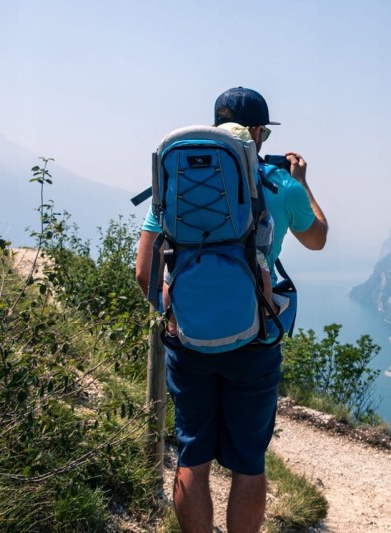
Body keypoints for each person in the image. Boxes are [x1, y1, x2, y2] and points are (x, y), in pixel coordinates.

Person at [135, 86, 328, 533]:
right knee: (247, 464)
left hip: (188, 342)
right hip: (254, 342)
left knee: (192, 456)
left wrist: (177, 319)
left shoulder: (177, 188)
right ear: (259, 133)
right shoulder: (279, 184)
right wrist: (304, 182)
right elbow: (317, 237)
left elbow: (146, 274)